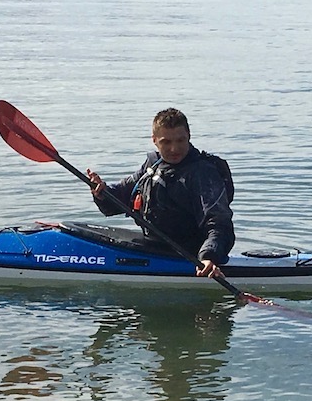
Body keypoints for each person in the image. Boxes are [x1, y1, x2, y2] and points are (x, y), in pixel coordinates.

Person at [86, 108, 235, 280]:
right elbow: (121, 195)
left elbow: (219, 223)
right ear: (154, 140)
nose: (174, 148)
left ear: (189, 136)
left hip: (192, 256)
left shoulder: (203, 173)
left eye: (181, 140)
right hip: (155, 246)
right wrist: (101, 191)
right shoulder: (152, 165)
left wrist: (209, 256)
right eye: (166, 142)